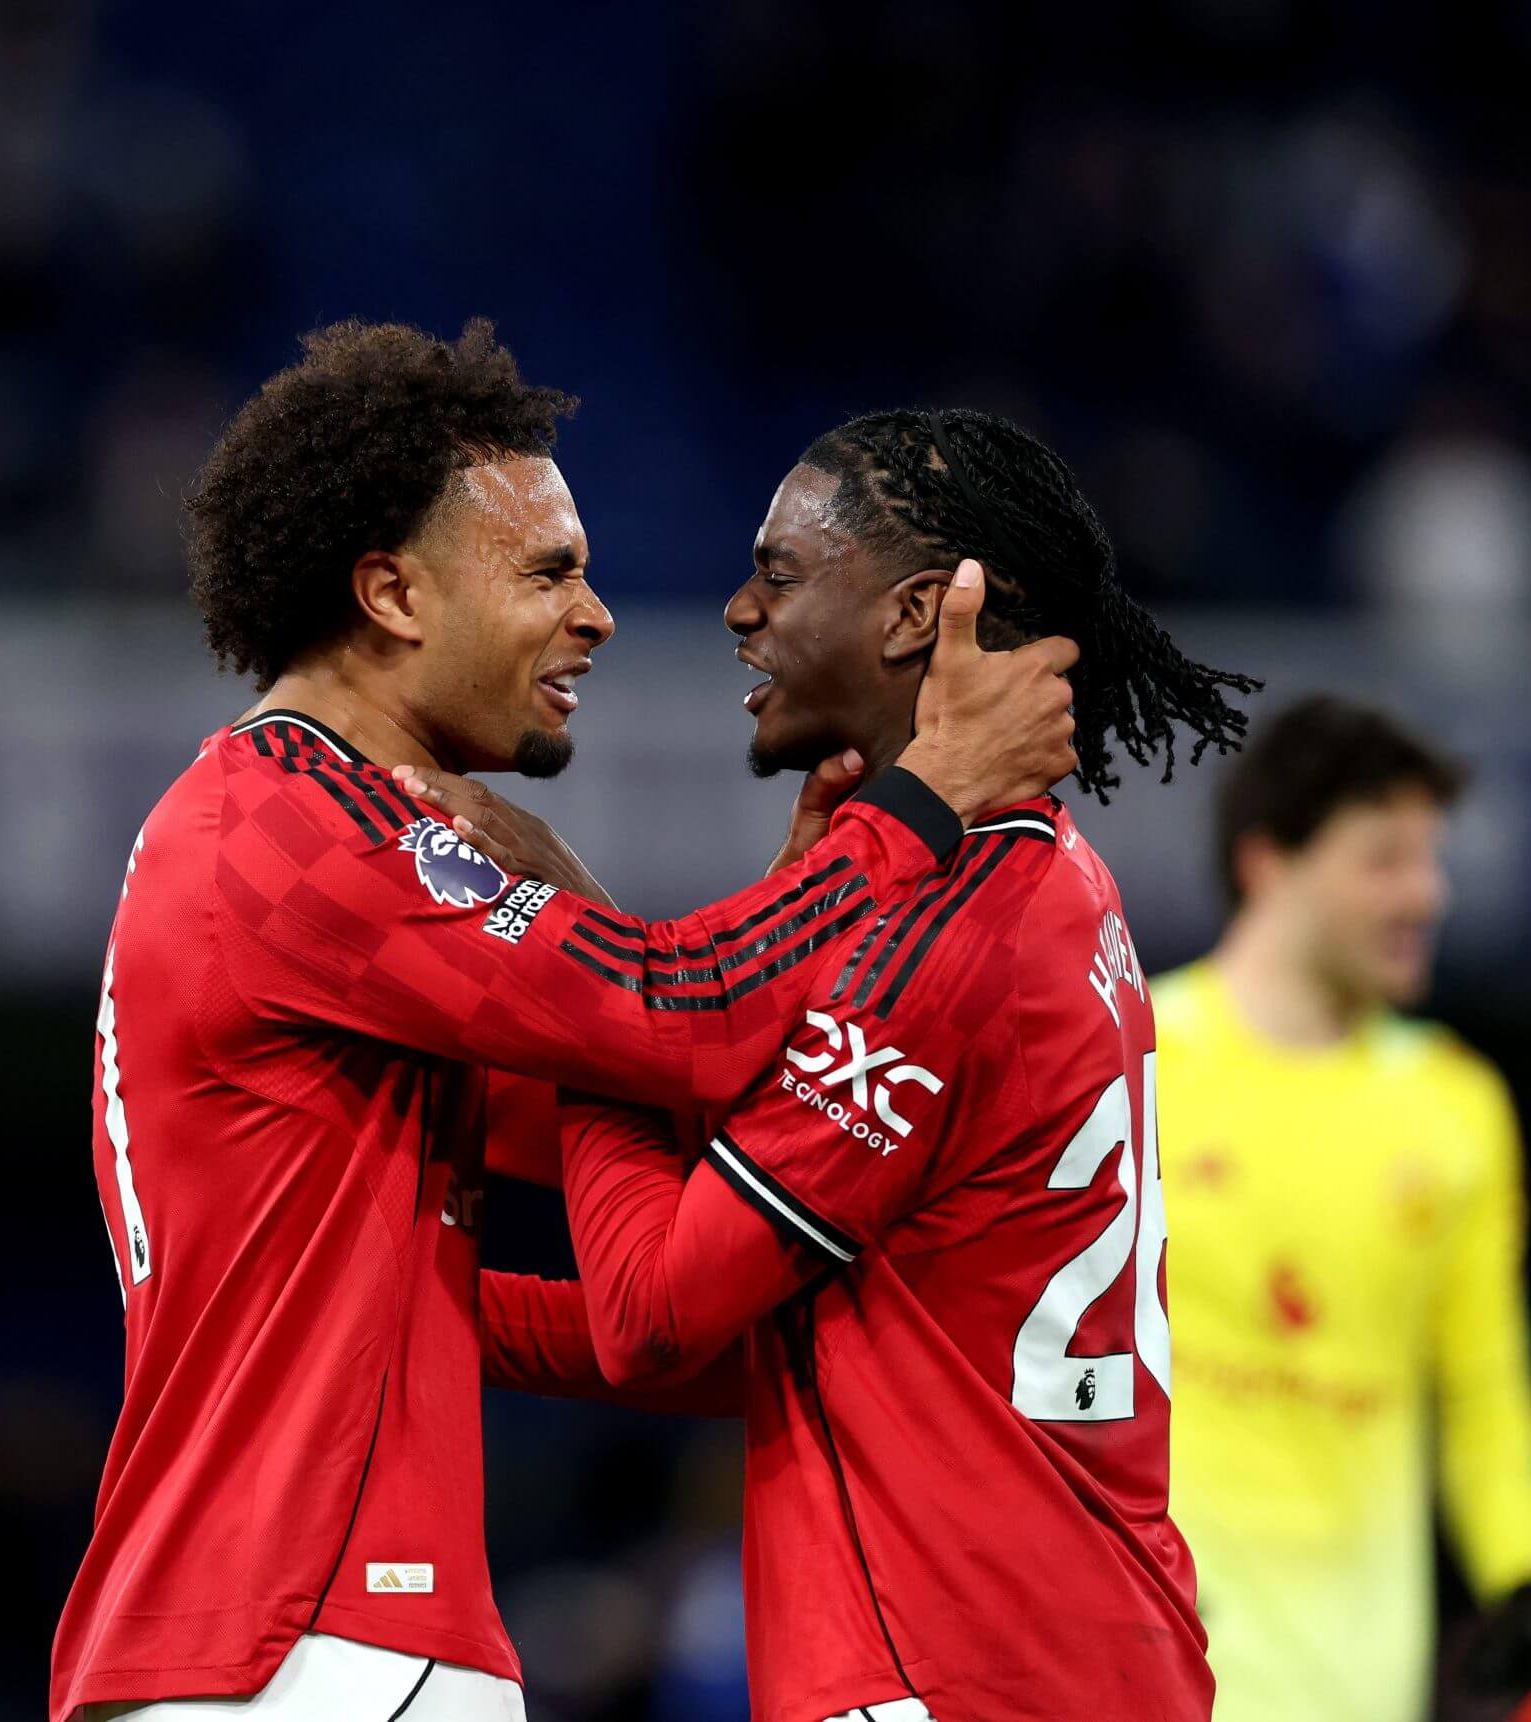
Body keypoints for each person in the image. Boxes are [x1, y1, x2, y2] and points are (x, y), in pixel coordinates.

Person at [51, 325, 1082, 1722]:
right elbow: (677, 1018)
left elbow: (657, 1100)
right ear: (393, 593)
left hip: (259, 1633)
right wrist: (918, 808)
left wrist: (784, 926)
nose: (596, 614)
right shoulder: (296, 831)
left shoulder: (274, 841)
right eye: (549, 571)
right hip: (326, 1636)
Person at [415, 406, 1258, 1722]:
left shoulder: (949, 933)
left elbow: (656, 1310)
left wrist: (586, 1020)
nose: (742, 609)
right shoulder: (1045, 884)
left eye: (785, 572)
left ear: (918, 611)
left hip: (949, 1663)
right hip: (1078, 1648)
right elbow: (782, 1325)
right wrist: (400, 1303)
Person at [1154, 695, 1531, 1722]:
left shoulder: (1457, 1109)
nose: (1427, 895)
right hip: (1143, 1665)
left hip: (1363, 1678)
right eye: (1384, 861)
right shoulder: (1128, 1062)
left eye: (1429, 860)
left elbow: (1483, 1389)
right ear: (1268, 864)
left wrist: (1519, 1578)